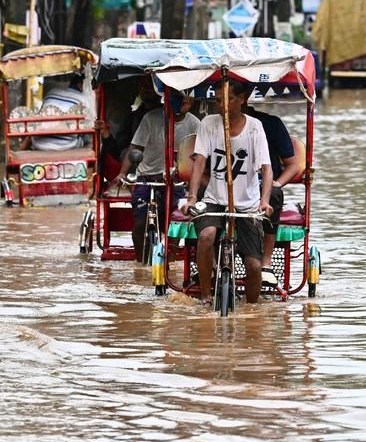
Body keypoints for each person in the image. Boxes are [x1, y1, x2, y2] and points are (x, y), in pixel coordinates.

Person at [182, 79, 273, 305]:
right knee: (206, 236)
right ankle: (205, 294)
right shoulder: (209, 124)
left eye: (228, 100)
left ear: (242, 100)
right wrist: (192, 197)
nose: (221, 105)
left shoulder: (255, 127)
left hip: (247, 204)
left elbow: (266, 168)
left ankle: (252, 309)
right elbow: (200, 161)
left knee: (253, 265)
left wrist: (264, 201)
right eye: (217, 100)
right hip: (215, 199)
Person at [113, 93, 200, 261]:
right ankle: (140, 264)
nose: (184, 101)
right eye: (180, 98)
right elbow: (135, 147)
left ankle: (170, 261)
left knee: (176, 224)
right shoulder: (151, 118)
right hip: (147, 177)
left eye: (188, 98)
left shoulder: (195, 123)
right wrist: (123, 173)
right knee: (140, 224)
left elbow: (199, 156)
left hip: (176, 180)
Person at [243, 103, 303, 287]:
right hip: (234, 184)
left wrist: (276, 183)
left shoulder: (271, 124)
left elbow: (292, 164)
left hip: (265, 184)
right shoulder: (218, 124)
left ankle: (266, 263)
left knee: (275, 194)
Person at [96, 76, 163, 186]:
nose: (147, 89)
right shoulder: (133, 118)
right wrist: (107, 135)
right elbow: (119, 150)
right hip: (139, 168)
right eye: (144, 86)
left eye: (151, 86)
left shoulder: (169, 116)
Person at [27, 74, 90, 151]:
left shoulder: (52, 92)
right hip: (68, 146)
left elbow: (42, 113)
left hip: (38, 143)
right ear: (81, 85)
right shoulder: (85, 99)